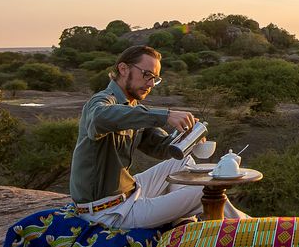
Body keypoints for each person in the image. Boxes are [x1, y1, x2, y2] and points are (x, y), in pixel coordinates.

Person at [68, 45, 246, 229]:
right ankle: (248, 230)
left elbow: (163, 148)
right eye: (147, 75)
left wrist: (186, 140)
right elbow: (100, 117)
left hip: (130, 191)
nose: (151, 84)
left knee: (181, 162)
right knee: (205, 191)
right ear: (123, 69)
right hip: (108, 211)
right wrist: (166, 115)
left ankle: (183, 221)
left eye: (155, 79)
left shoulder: (132, 106)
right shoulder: (102, 101)